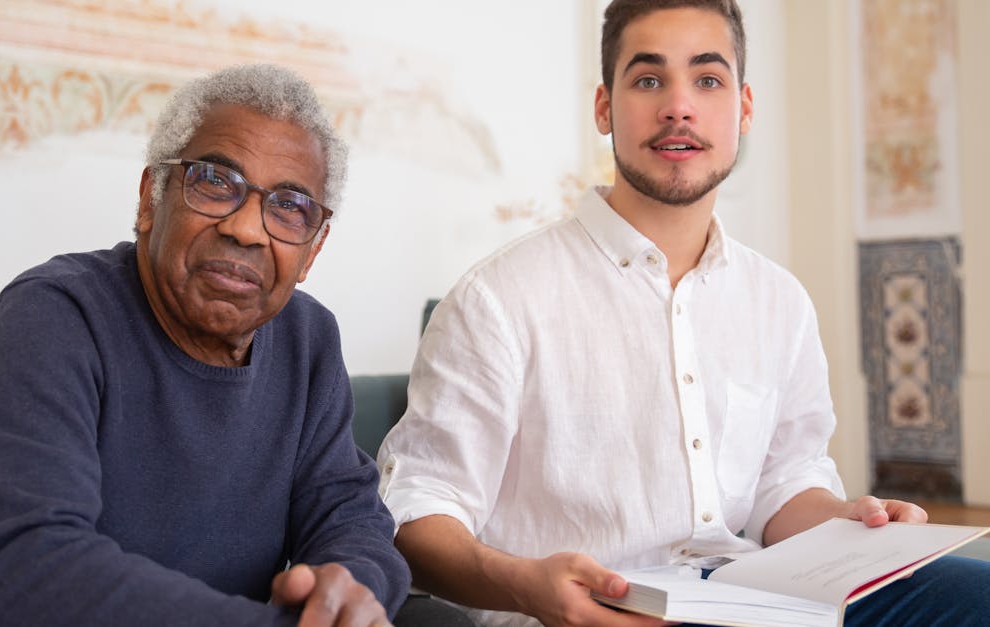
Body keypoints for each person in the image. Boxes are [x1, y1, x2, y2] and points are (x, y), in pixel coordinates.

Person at [376, 1, 990, 626]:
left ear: (743, 107)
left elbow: (783, 487)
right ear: (604, 108)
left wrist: (849, 519)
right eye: (648, 79)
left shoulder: (778, 301)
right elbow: (415, 509)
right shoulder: (497, 300)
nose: (679, 106)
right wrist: (522, 585)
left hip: (759, 600)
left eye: (707, 79)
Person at [0, 64, 408, 626]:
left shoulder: (308, 340)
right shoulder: (55, 313)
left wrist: (348, 593)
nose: (246, 228)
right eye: (216, 181)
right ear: (150, 199)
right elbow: (28, 570)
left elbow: (351, 518)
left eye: (289, 206)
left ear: (312, 251)